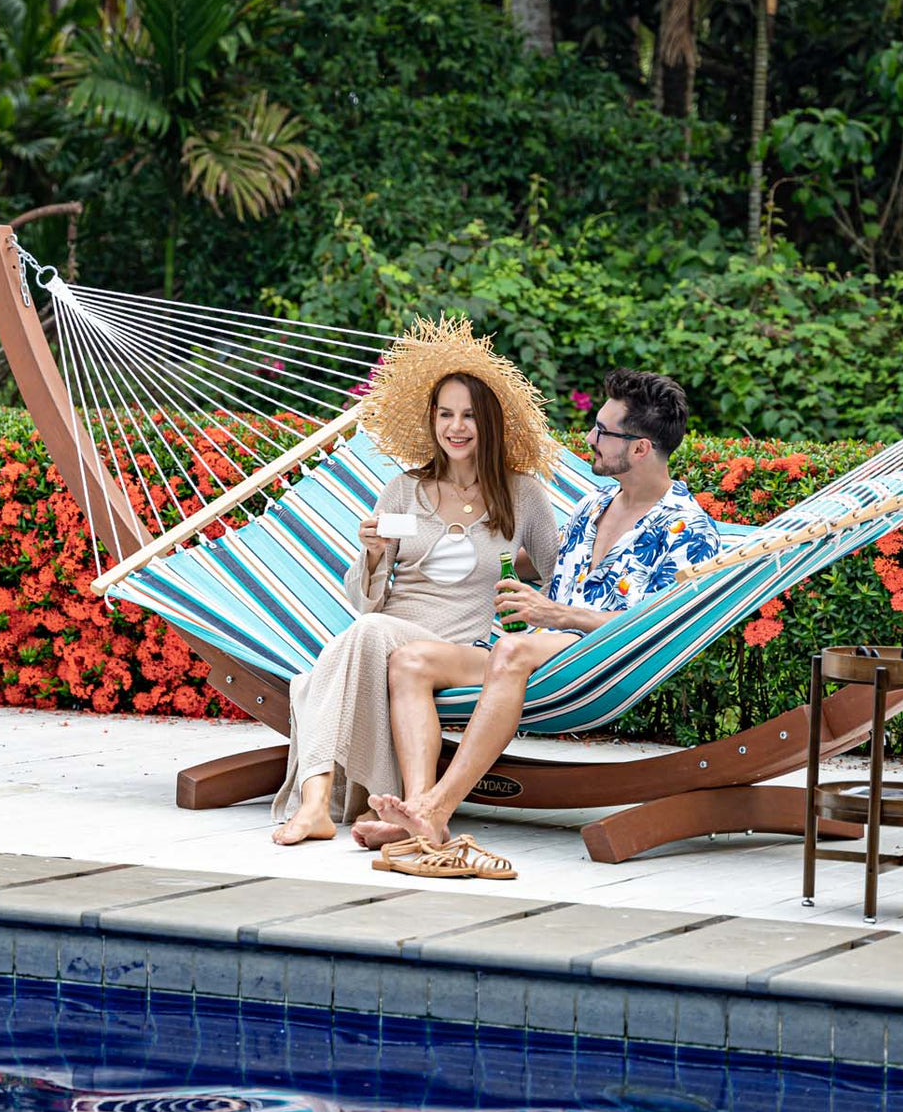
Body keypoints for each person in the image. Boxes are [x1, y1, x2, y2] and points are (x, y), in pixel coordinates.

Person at [355, 369, 721, 857]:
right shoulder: (592, 508)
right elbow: (527, 557)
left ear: (638, 449)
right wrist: (445, 545)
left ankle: (434, 810)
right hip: (524, 652)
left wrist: (558, 614)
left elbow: (661, 629)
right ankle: (419, 812)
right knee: (411, 660)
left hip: (592, 661)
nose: (590, 438)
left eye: (603, 432)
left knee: (511, 647)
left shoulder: (688, 531)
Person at [271, 316, 560, 845]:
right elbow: (365, 600)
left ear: (489, 423)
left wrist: (520, 580)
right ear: (432, 421)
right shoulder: (404, 491)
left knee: (344, 653)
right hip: (392, 631)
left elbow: (557, 571)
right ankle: (343, 806)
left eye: (470, 415)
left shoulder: (521, 496)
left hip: (465, 647)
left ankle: (316, 802)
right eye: (445, 414)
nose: (456, 426)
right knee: (367, 633)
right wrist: (375, 556)